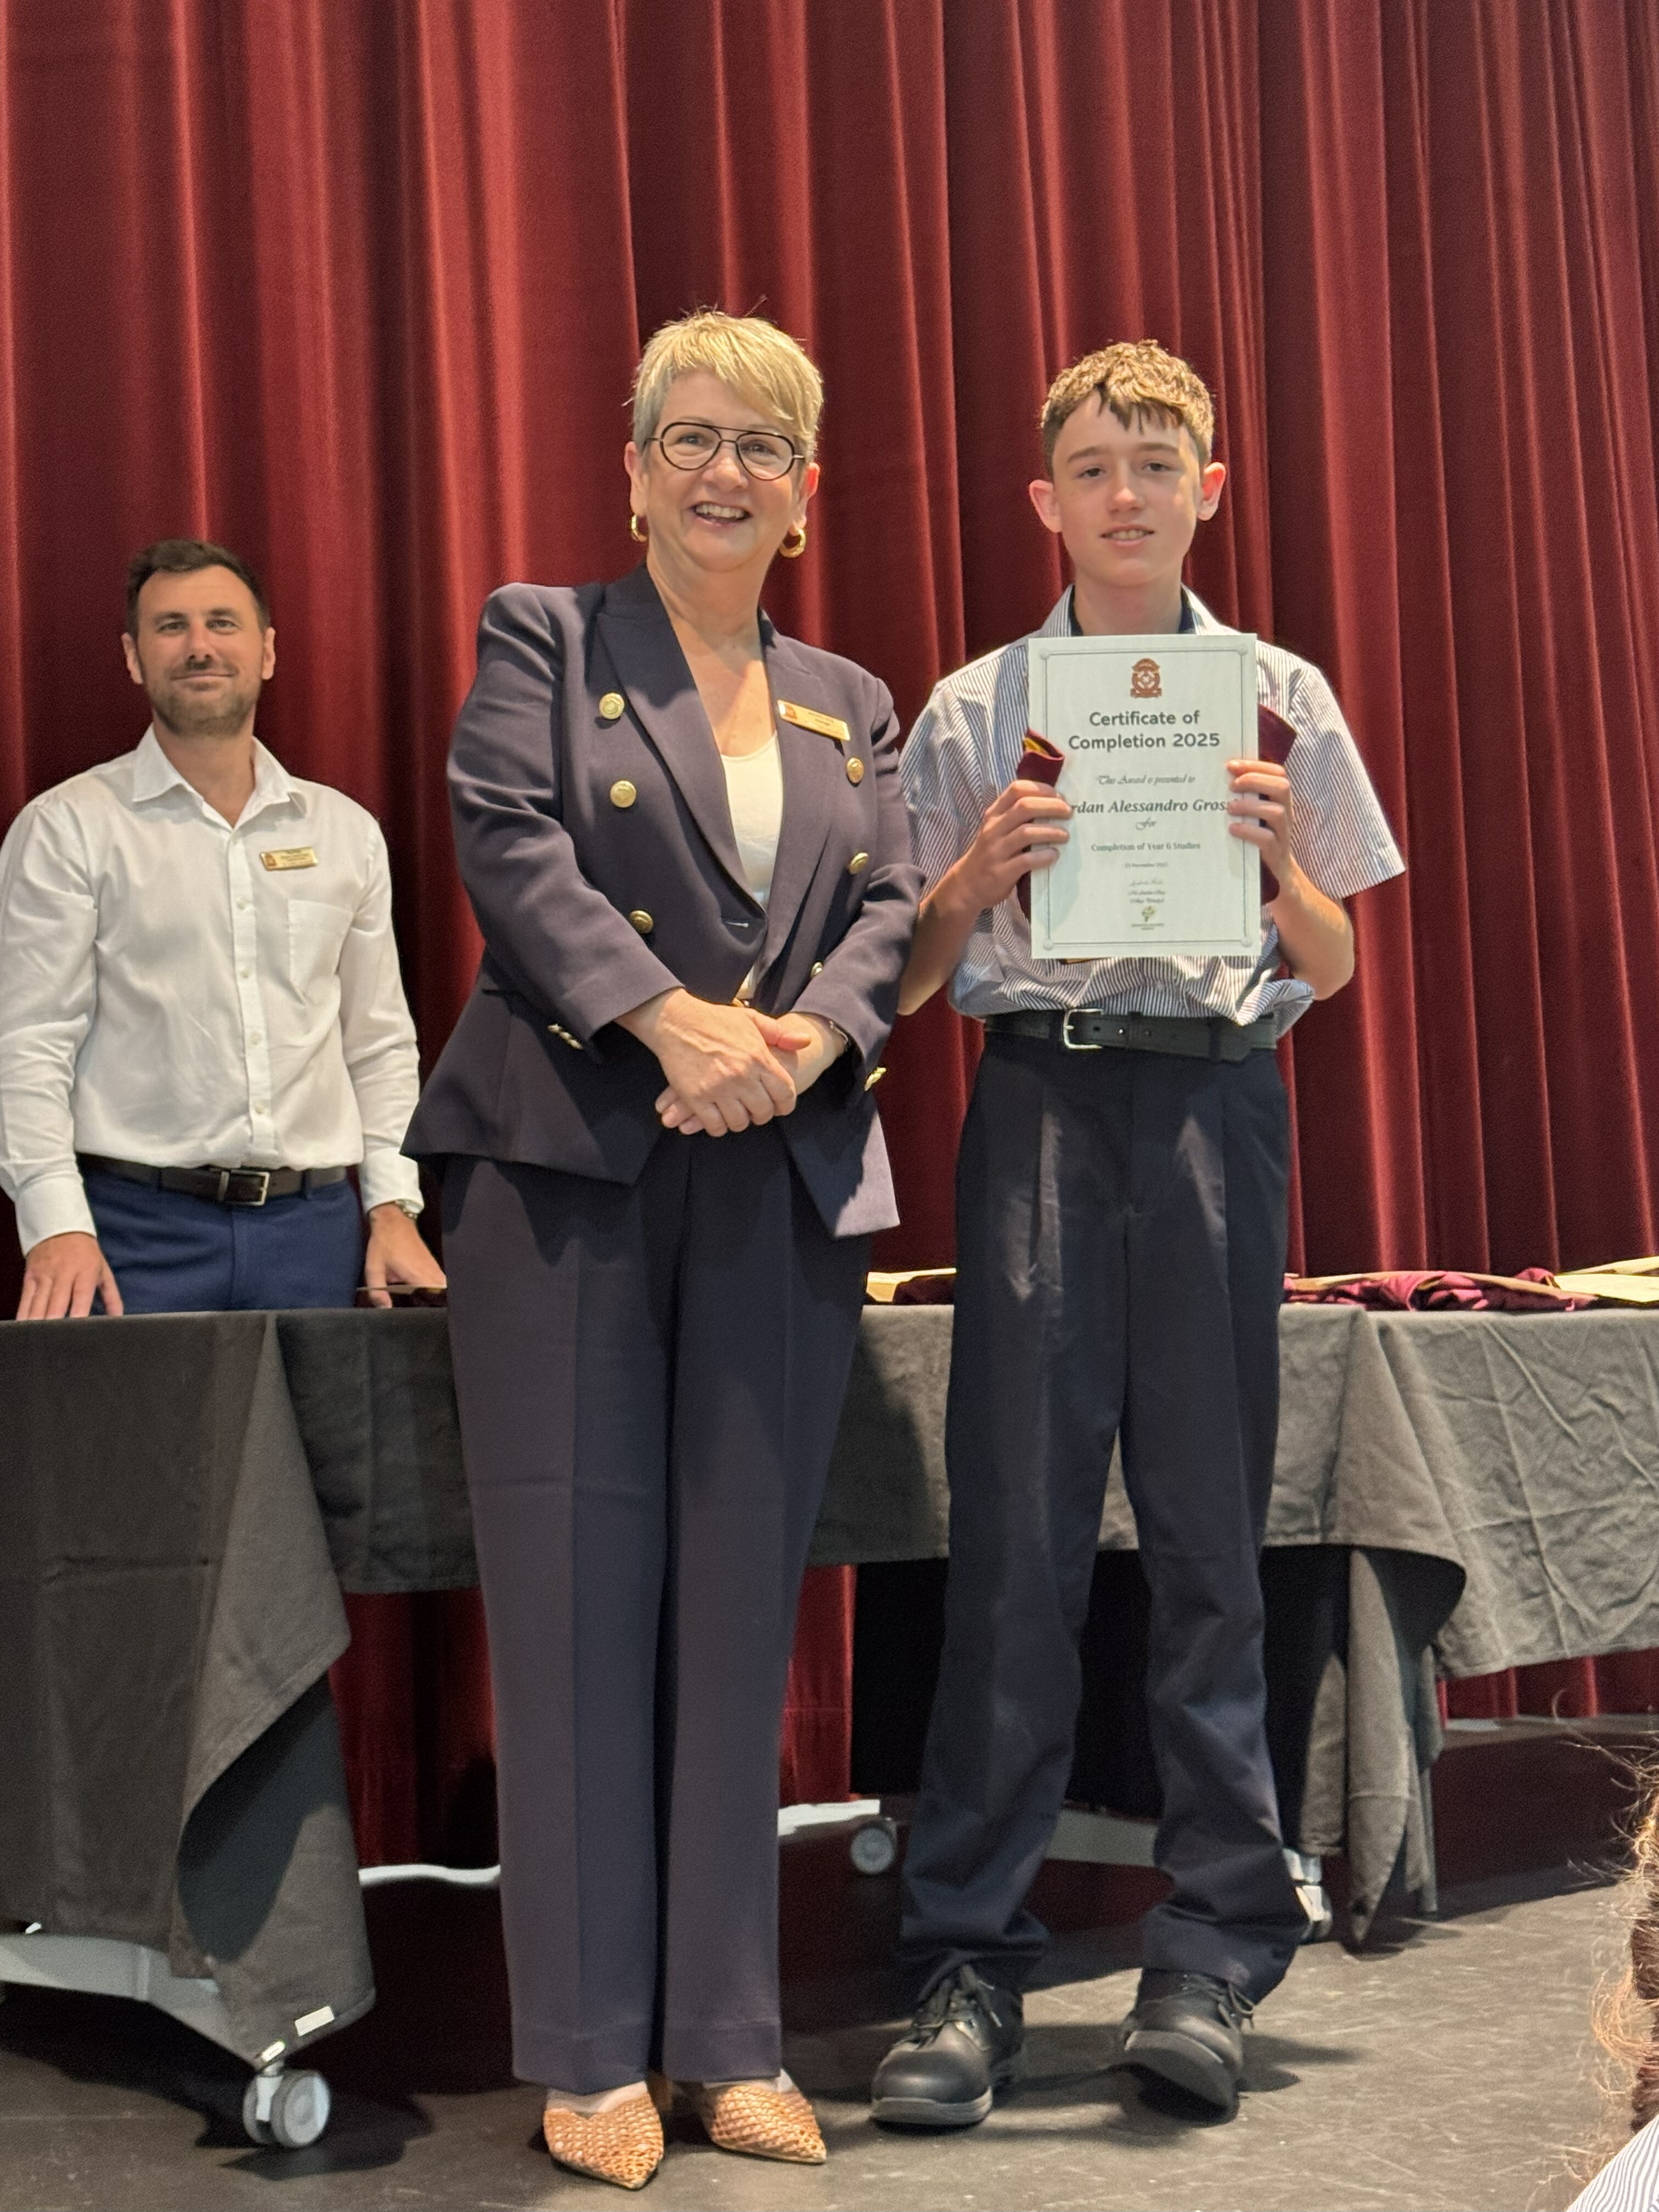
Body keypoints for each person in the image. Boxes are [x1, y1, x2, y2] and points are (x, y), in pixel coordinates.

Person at [403, 309, 920, 2191]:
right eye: (690, 437)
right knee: (569, 1615)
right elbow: (510, 846)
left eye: (763, 447)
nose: (725, 472)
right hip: (567, 1171)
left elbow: (881, 910)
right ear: (631, 470)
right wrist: (669, 1025)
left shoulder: (852, 695)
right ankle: (590, 2052)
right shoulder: (543, 637)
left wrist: (798, 1041)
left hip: (777, 1172)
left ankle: (725, 2037)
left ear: (799, 496)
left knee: (734, 1623)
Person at [870, 341, 1404, 2129]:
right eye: (1090, 466)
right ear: (1043, 500)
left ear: (1209, 486)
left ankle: (1212, 1949)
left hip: (1209, 1109)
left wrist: (1280, 870)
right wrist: (976, 871)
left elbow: (1327, 967)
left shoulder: (1275, 699)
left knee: (1202, 1528)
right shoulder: (976, 706)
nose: (1123, 492)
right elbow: (912, 979)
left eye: (1153, 461)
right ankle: (963, 1957)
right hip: (1036, 1096)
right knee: (1014, 1538)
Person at [0, 538, 442, 1317]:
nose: (200, 646)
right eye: (171, 627)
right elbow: (30, 1042)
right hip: (131, 1237)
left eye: (222, 623)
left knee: (328, 1447)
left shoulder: (344, 833)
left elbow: (376, 1044)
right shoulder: (68, 829)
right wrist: (53, 1224)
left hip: (317, 1238)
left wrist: (393, 1206)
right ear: (134, 658)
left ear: (268, 650)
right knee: (138, 1446)